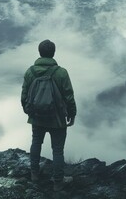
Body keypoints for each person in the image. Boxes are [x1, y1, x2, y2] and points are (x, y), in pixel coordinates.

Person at [21, 39, 77, 191]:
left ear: (40, 53)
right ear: (53, 53)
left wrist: (29, 112)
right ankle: (58, 182)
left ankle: (34, 174)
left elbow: (24, 96)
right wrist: (72, 114)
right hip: (57, 119)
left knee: (36, 142)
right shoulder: (61, 73)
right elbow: (69, 96)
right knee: (57, 150)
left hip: (37, 117)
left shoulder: (30, 72)